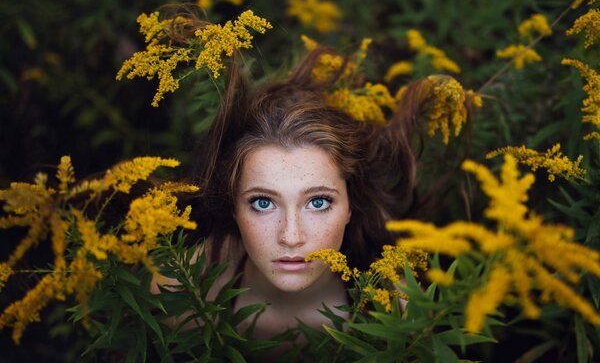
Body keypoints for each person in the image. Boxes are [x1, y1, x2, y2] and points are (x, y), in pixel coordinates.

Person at [152, 43, 469, 341]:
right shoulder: (176, 294)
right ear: (233, 205)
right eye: (263, 202)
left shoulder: (400, 312)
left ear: (350, 206)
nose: (291, 236)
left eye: (318, 202)